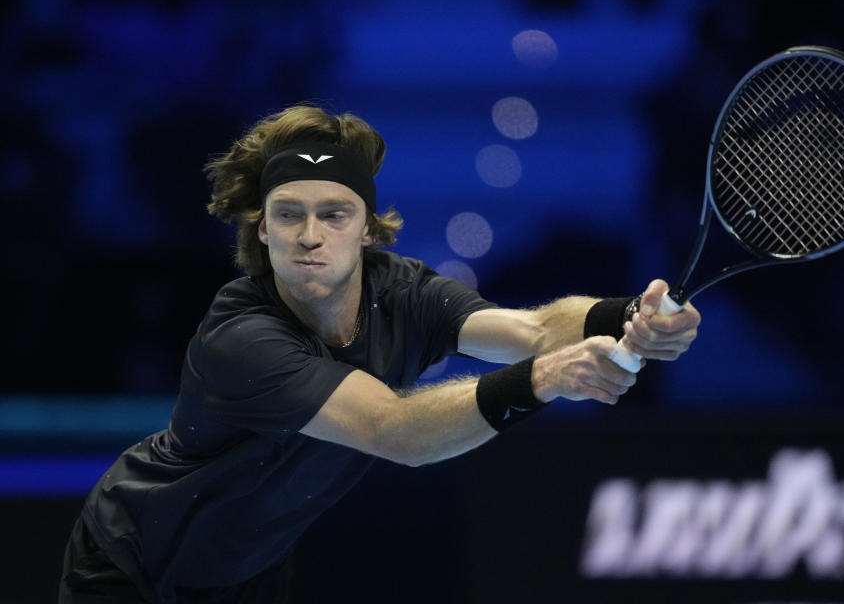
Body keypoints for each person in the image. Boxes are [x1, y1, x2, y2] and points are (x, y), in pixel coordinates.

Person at [59, 105, 701, 603]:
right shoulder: (241, 336)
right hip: (136, 562)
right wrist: (543, 380)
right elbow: (395, 431)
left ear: (368, 228)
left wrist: (629, 317)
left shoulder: (404, 292)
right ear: (263, 229)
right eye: (289, 215)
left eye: (335, 214)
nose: (310, 236)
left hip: (251, 565)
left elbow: (534, 329)